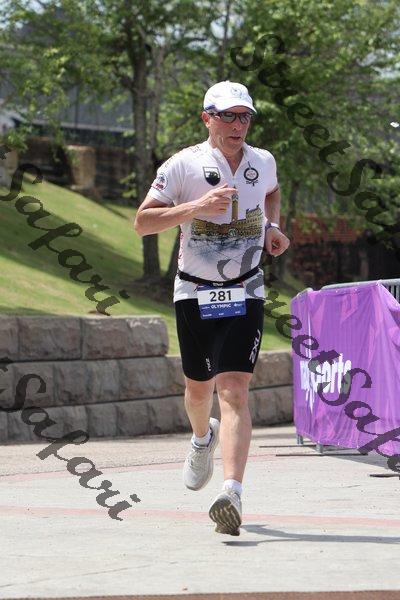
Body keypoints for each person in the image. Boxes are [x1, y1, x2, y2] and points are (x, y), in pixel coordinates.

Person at [134, 80, 290, 535]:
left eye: (245, 117)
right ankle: (202, 438)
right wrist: (196, 207)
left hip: (246, 288)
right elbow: (143, 221)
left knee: (235, 390)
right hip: (195, 290)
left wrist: (271, 227)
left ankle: (231, 493)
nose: (238, 125)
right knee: (199, 390)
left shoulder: (263, 161)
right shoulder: (182, 164)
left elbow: (272, 192)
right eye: (228, 116)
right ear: (207, 118)